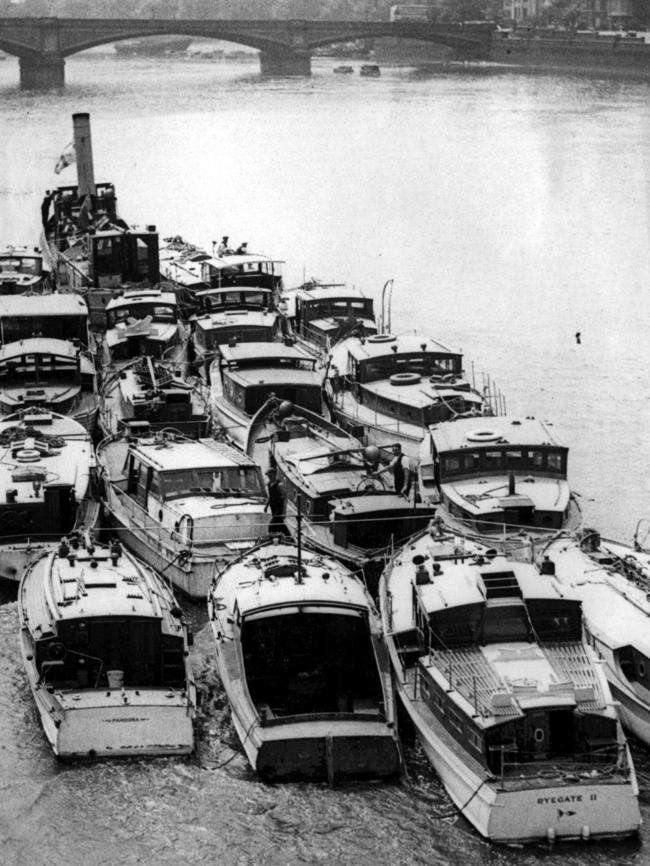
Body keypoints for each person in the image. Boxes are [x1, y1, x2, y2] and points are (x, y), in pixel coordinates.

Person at [264, 468, 286, 535]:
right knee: (279, 523)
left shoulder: (280, 485)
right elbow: (270, 496)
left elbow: (285, 498)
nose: (269, 477)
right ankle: (285, 536)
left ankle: (271, 535)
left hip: (279, 507)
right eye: (268, 476)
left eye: (270, 475)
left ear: (274, 475)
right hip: (272, 506)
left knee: (272, 523)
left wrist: (284, 512)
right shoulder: (269, 484)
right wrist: (266, 506)